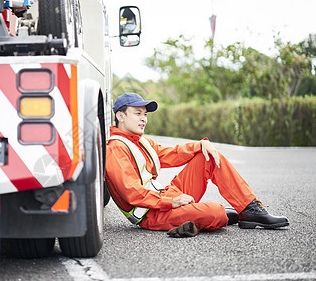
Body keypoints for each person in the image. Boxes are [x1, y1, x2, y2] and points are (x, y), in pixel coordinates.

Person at [105, 93, 289, 237]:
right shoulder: (115, 148)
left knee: (207, 156)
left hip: (166, 197)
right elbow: (131, 193)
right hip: (153, 214)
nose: (143, 118)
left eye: (145, 114)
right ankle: (201, 213)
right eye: (137, 113)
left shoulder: (140, 141)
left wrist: (200, 144)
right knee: (217, 213)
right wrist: (171, 202)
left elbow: (170, 154)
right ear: (120, 116)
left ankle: (250, 209)